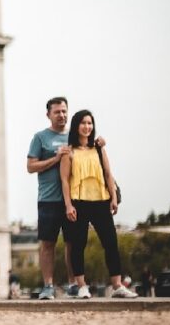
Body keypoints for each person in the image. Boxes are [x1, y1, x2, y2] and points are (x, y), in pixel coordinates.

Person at [60, 110, 137, 299]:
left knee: (111, 242)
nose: (87, 127)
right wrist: (68, 205)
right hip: (79, 202)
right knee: (79, 245)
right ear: (76, 125)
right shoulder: (68, 151)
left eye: (90, 123)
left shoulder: (99, 148)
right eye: (83, 123)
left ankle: (117, 285)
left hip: (101, 201)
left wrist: (113, 197)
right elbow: (64, 181)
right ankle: (82, 286)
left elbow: (108, 174)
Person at [27, 97, 80, 299]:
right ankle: (48, 285)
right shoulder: (40, 138)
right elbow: (31, 167)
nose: (62, 115)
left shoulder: (75, 137)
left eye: (64, 111)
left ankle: (73, 283)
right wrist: (55, 159)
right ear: (48, 114)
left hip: (73, 198)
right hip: (48, 199)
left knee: (73, 243)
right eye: (57, 112)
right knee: (48, 244)